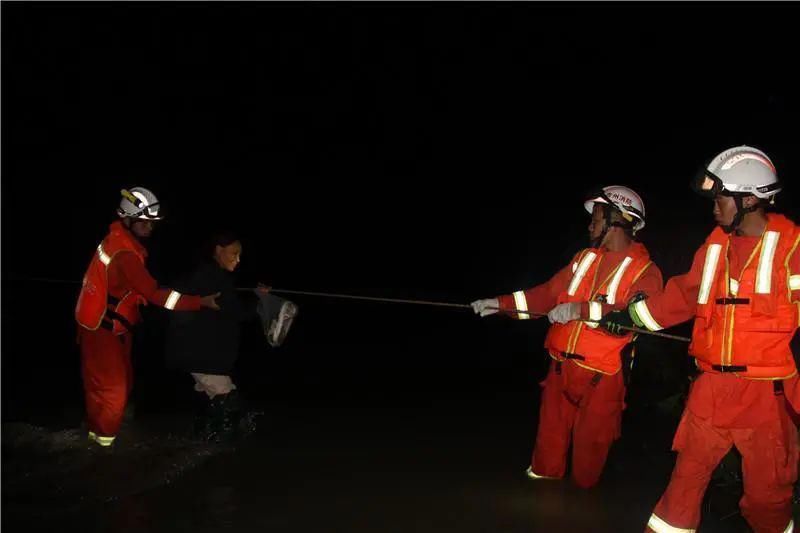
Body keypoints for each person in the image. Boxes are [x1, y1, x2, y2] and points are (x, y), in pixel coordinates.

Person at [602, 146, 800, 533]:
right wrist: (628, 318)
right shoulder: (715, 244)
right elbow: (683, 295)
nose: (714, 205)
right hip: (710, 390)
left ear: (748, 199)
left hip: (766, 397)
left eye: (721, 197)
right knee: (681, 490)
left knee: (767, 499)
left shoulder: (793, 247)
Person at [471, 186, 663, 488]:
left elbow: (638, 317)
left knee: (589, 460)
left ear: (618, 220)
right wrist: (501, 304)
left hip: (604, 377)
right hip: (560, 369)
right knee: (545, 455)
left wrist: (582, 310)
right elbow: (546, 295)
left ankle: (582, 511)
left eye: (597, 217)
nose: (590, 225)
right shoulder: (583, 259)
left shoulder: (646, 272)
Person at [75, 187, 220, 448]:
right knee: (113, 393)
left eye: (153, 223)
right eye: (146, 223)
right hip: (101, 330)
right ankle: (100, 454)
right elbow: (157, 295)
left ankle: (97, 433)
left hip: (115, 327)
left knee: (120, 384)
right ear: (129, 219)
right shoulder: (126, 254)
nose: (151, 228)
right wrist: (200, 302)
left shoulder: (120, 240)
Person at [165, 230, 298, 442]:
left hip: (197, 357)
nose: (237, 260)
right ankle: (215, 448)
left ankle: (195, 444)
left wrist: (257, 297)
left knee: (211, 401)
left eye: (239, 255)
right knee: (228, 402)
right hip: (202, 357)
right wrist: (260, 300)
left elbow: (228, 307)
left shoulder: (210, 275)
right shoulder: (211, 277)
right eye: (233, 253)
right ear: (218, 250)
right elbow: (238, 312)